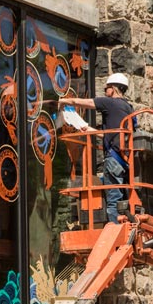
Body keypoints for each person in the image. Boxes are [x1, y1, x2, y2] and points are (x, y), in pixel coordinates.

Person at [59, 73, 135, 223]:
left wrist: (64, 100)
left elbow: (83, 102)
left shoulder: (109, 103)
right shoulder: (129, 108)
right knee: (123, 199)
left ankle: (115, 229)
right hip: (125, 161)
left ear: (112, 89)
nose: (105, 91)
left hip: (113, 159)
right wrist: (90, 130)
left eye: (106, 88)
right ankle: (127, 227)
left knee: (113, 200)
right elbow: (115, 135)